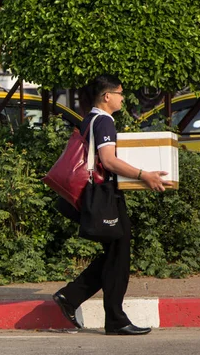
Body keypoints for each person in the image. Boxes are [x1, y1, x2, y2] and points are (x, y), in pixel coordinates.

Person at [53, 74, 170, 335]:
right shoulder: (104, 121)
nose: (122, 97)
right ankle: (114, 319)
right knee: (119, 254)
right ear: (107, 96)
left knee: (115, 254)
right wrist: (145, 175)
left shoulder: (90, 119)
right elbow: (109, 160)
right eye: (120, 93)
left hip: (90, 195)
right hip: (104, 196)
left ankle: (71, 297)